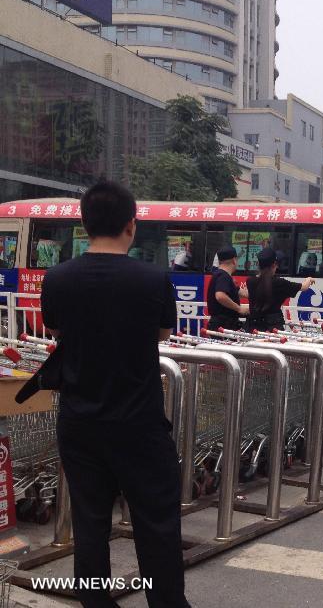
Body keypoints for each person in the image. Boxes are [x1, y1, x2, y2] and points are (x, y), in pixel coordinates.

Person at [40, 180, 191, 608]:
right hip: (139, 422)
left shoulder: (59, 278)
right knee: (157, 525)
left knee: (90, 527)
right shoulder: (152, 279)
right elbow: (161, 333)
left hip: (80, 423)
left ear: (85, 225)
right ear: (131, 225)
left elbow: (55, 329)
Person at [247, 248, 314, 332]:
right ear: (275, 264)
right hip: (273, 329)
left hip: (253, 328)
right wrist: (308, 279)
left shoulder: (250, 281)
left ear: (259, 265)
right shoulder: (279, 283)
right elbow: (304, 287)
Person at [207, 246, 248, 331]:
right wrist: (239, 308)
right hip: (224, 325)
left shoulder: (220, 275)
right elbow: (220, 296)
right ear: (234, 260)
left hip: (221, 324)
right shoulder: (223, 276)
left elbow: (241, 293)